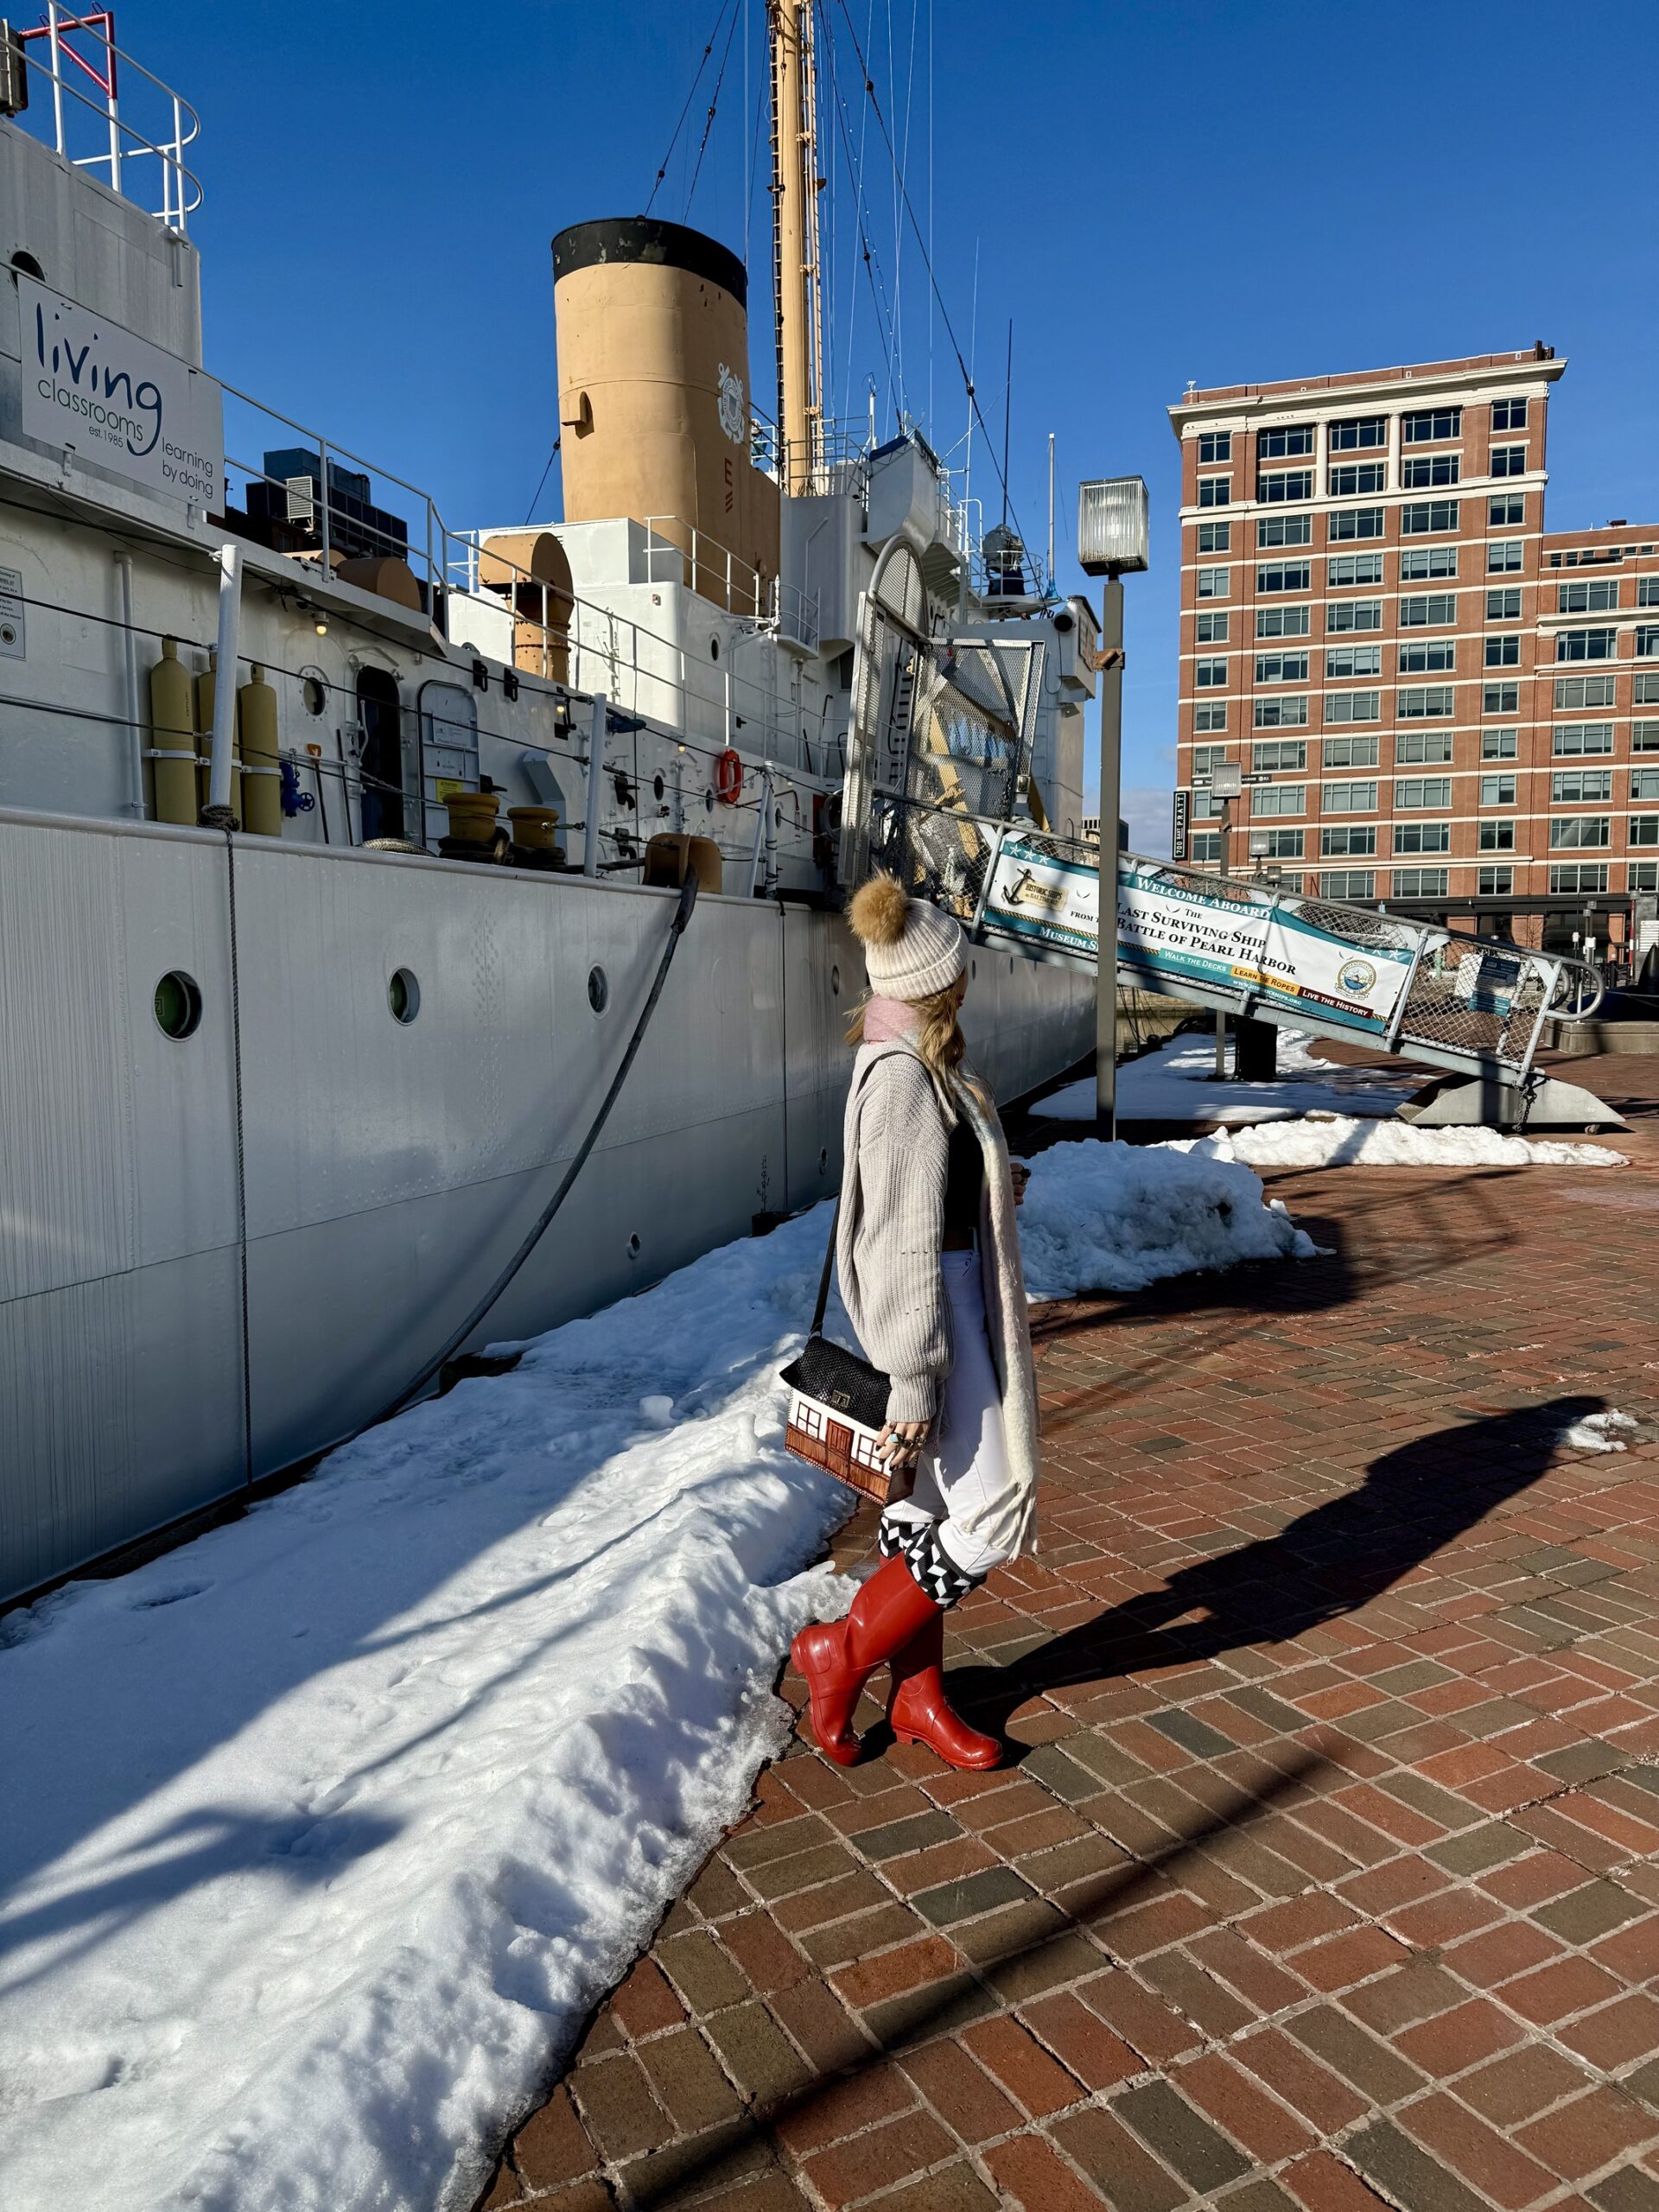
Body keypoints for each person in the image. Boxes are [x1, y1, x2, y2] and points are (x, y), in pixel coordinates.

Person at [791, 874, 1041, 1771]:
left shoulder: (911, 1058)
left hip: (944, 1298)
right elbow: (897, 1241)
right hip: (936, 1318)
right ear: (938, 981)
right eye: (960, 972)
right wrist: (913, 1371)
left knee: (926, 1506)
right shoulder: (902, 1079)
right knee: (994, 1511)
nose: (967, 983)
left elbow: (919, 1201)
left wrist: (984, 1193)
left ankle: (916, 1696)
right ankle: (843, 1651)